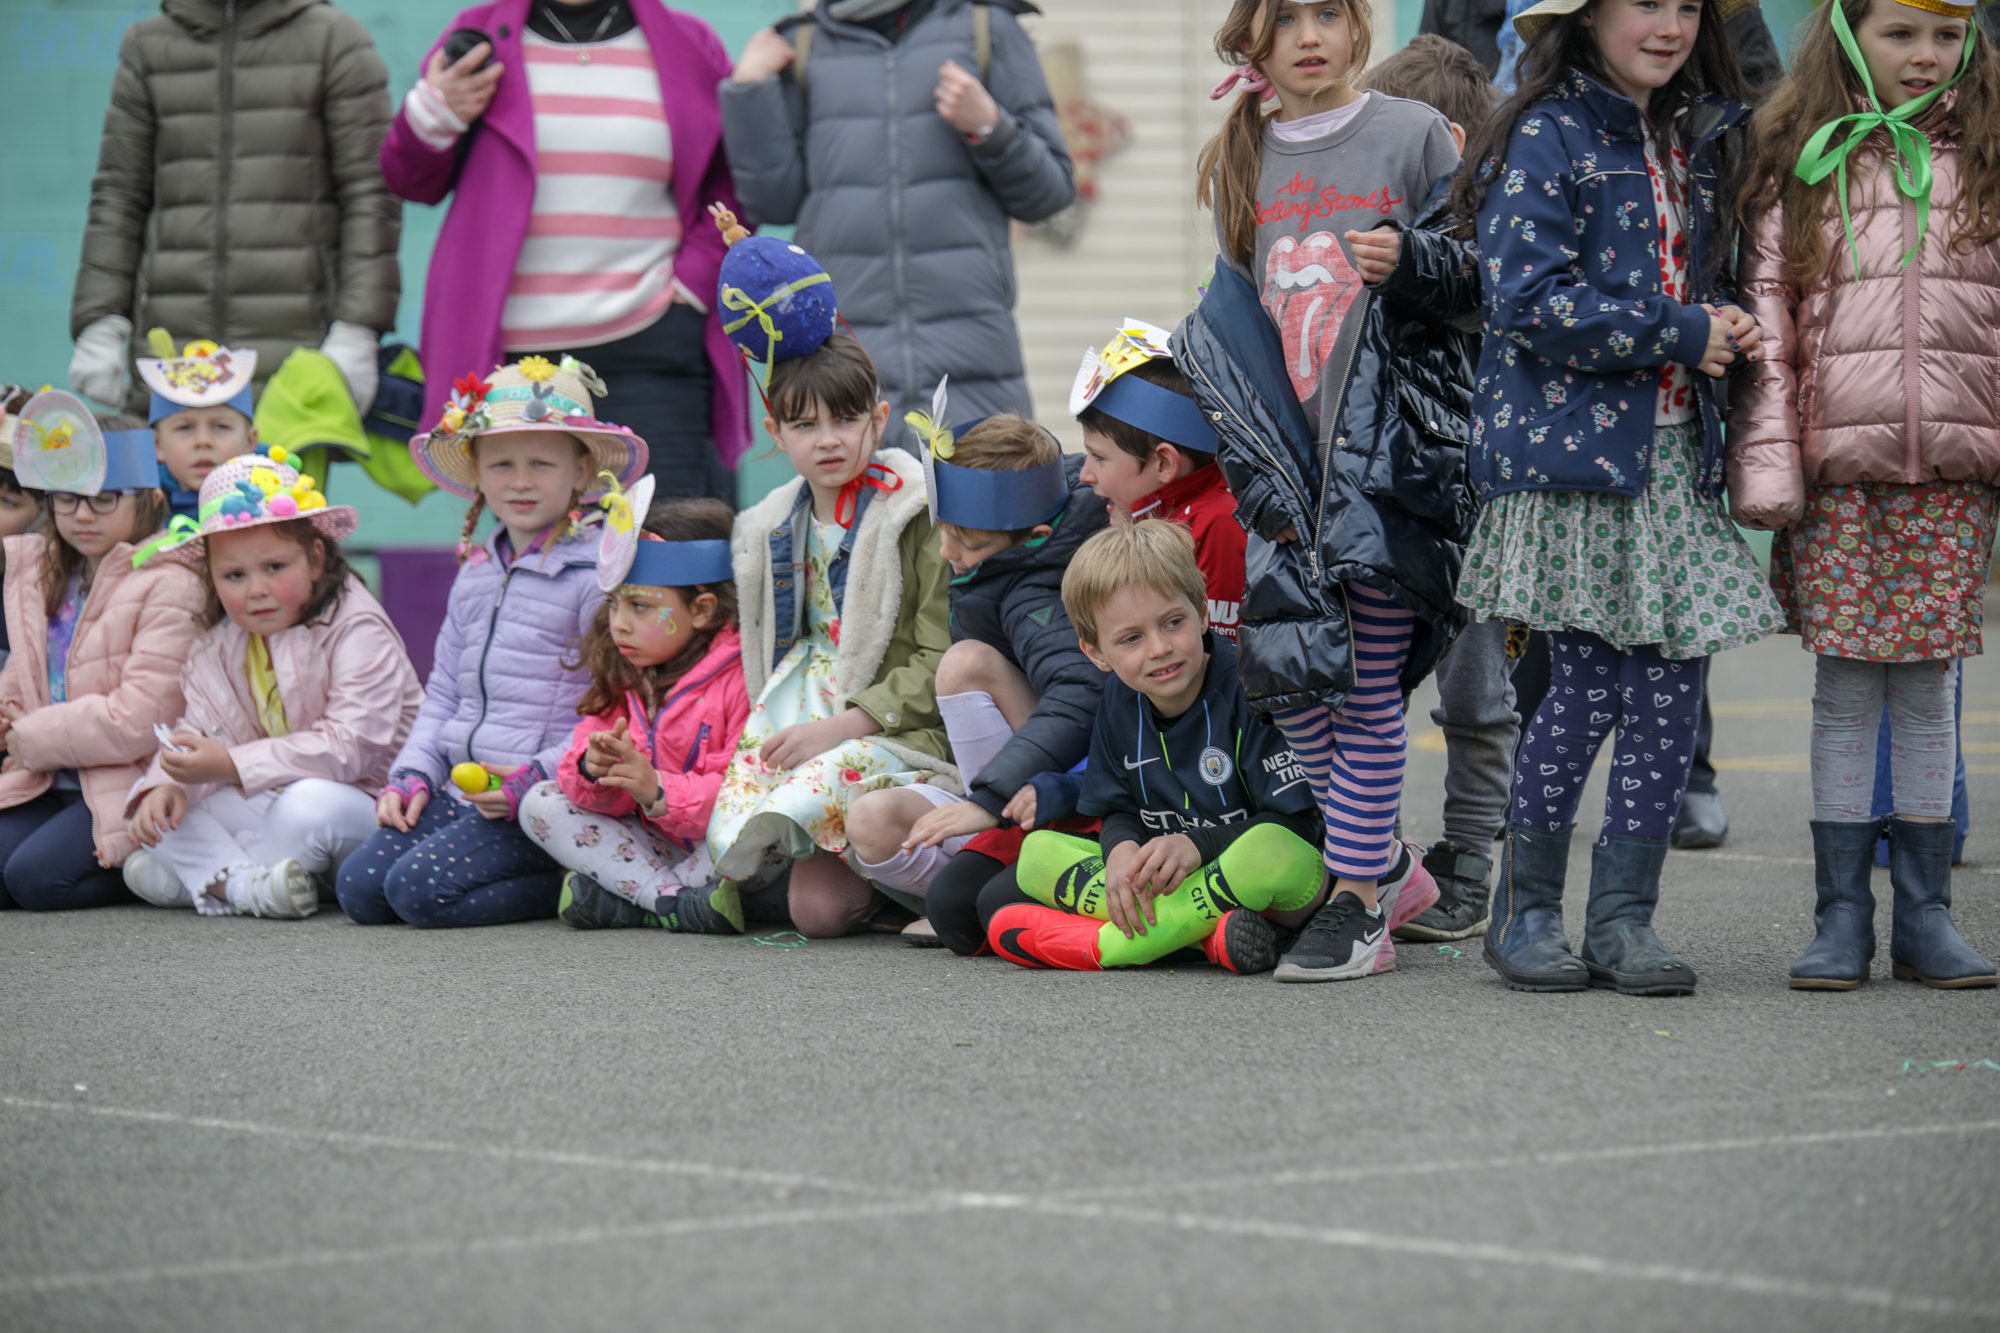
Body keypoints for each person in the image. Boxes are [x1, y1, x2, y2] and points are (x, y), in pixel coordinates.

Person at [1451, 0, 1785, 996]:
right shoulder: (1548, 131)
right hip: (1573, 466)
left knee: (1670, 701)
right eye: (1644, 2)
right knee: (1586, 689)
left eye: (1687, 5)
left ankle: (1621, 920)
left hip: (1674, 459)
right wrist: (1682, 331)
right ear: (1586, 17)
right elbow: (1524, 298)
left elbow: (1700, 274)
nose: (1669, 23)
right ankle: (1524, 915)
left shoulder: (1695, 136)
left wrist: (1727, 318)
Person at [1175, 0, 1481, 983]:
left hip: (1386, 460)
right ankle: (1392, 865)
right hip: (1284, 466)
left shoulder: (1412, 133)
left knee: (1363, 684)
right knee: (1289, 685)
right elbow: (1236, 309)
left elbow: (1483, 277)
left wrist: (1414, 264)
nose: (1307, 34)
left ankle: (1357, 905)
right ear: (1250, 47)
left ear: (1356, 30)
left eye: (1326, 12)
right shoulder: (1241, 151)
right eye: (1282, 20)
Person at [1730, 0, 1998, 989]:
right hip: (1839, 477)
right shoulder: (1802, 163)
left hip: (1949, 478)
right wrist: (1768, 471)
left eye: (1945, 35)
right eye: (1898, 35)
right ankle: (1839, 914)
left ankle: (1924, 915)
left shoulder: (1990, 158)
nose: (1924, 56)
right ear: (1846, 38)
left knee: (1926, 690)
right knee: (1845, 688)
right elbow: (1768, 321)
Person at [381, 0, 748, 501]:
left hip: (652, 347)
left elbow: (732, 181)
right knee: (540, 567)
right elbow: (410, 180)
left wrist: (692, 286)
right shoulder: (479, 34)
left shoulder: (688, 42)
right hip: (510, 370)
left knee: (665, 556)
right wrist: (438, 109)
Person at [334, 356, 648, 928]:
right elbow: (443, 695)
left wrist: (533, 777)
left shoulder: (597, 577)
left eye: (541, 464)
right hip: (462, 789)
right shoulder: (476, 572)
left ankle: (574, 881)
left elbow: (613, 711)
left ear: (581, 472)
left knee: (417, 894)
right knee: (359, 890)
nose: (520, 481)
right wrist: (412, 775)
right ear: (477, 473)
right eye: (501, 463)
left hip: (540, 799)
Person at [703, 228, 955, 939]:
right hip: (805, 699)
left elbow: (938, 656)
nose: (830, 439)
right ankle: (869, 876)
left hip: (894, 722)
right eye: (805, 423)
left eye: (848, 418)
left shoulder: (913, 512)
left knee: (803, 810)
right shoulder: (769, 523)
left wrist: (845, 725)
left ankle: (957, 881)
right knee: (815, 914)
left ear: (878, 419)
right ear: (774, 432)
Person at [971, 519, 1324, 973]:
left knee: (1272, 851)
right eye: (1132, 638)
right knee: (1036, 855)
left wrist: (1197, 844)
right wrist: (1119, 852)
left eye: (1173, 622)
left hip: (1274, 874)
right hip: (1180, 881)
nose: (1159, 648)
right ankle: (1207, 939)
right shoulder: (1118, 698)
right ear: (1096, 652)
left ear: (1202, 612)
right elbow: (1118, 809)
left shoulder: (1254, 686)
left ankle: (1107, 947)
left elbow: (1299, 825)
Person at [720, 0, 1075, 444]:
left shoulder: (988, 28)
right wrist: (750, 89)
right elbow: (773, 202)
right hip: (849, 363)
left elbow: (1050, 194)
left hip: (974, 357)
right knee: (862, 513)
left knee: (986, 507)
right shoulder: (803, 44)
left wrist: (989, 127)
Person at [1352, 35, 1513, 944]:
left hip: (1475, 504)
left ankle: (1470, 860)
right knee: (1373, 685)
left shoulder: (1482, 245)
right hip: (1384, 500)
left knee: (1476, 694)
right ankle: (1373, 851)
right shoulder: (1369, 236)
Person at [121, 453, 423, 919]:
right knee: (159, 813)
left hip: (372, 803)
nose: (256, 589)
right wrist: (169, 783)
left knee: (305, 805)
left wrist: (230, 764)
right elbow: (198, 729)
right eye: (234, 575)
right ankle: (252, 885)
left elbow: (352, 747)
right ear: (212, 578)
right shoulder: (217, 646)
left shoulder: (357, 626)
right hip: (273, 796)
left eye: (275, 567)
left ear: (316, 559)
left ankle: (218, 881)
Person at [70, 0, 398, 419]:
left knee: (285, 487)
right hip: (173, 355)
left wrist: (357, 329)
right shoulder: (148, 46)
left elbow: (371, 192)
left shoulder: (334, 39)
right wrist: (101, 320)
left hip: (295, 361)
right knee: (162, 488)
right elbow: (119, 194)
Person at [842, 407, 1106, 917]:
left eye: (970, 543)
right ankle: (964, 895)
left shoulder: (1038, 594)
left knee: (964, 663)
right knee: (870, 821)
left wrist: (988, 800)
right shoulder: (1011, 540)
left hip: (1064, 788)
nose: (946, 552)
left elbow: (1080, 697)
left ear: (1034, 538)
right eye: (945, 531)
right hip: (1002, 779)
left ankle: (1011, 879)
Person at [0, 394, 204, 910]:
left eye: (104, 497)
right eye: (66, 498)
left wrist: (30, 735)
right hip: (47, 770)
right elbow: (23, 669)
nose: (81, 514)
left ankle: (157, 867)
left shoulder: (170, 582)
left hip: (126, 777)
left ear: (150, 499)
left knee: (35, 881)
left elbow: (140, 717)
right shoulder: (43, 570)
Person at [521, 485, 752, 931]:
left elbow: (743, 794)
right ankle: (670, 902)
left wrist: (658, 789)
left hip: (715, 847)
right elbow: (587, 789)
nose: (619, 623)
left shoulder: (742, 677)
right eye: (614, 603)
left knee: (769, 825)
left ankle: (631, 899)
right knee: (541, 801)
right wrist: (593, 769)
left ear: (703, 610)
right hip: (656, 846)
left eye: (640, 606)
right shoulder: (626, 670)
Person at [1073, 319, 1244, 642]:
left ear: (1164, 463)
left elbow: (1216, 654)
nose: (1085, 475)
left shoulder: (1218, 526)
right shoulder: (1160, 514)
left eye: (1099, 457)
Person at [137, 335, 261, 522]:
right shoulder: (141, 513)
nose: (203, 441)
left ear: (250, 441)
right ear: (157, 445)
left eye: (221, 426)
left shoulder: (273, 502)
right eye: (185, 428)